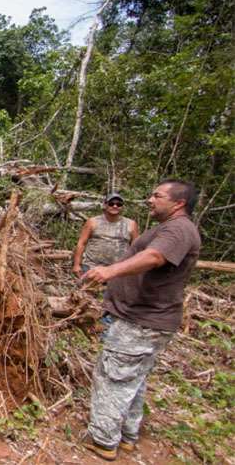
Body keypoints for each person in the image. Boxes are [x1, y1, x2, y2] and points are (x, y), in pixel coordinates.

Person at [80, 179, 201, 461]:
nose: (150, 199)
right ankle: (127, 437)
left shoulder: (178, 229)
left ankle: (103, 440)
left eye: (157, 195)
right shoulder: (171, 227)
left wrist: (110, 272)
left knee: (114, 377)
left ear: (178, 203)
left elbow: (155, 256)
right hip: (147, 319)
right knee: (134, 378)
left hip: (142, 320)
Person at [73, 193, 139, 279]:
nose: (115, 206)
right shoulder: (93, 222)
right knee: (88, 290)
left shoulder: (131, 224)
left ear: (122, 207)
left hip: (118, 270)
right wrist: (76, 265)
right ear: (105, 205)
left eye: (119, 204)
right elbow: (81, 243)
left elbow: (136, 247)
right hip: (92, 267)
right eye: (111, 203)